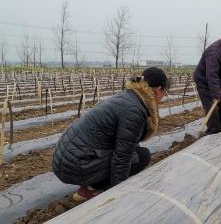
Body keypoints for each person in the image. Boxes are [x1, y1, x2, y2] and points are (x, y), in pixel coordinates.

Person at [52, 67, 169, 200]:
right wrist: (118, 195)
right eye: (165, 92)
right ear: (159, 90)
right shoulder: (135, 111)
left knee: (134, 149)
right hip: (73, 165)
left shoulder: (128, 96)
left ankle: (93, 183)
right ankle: (91, 189)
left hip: (65, 157)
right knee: (142, 157)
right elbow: (122, 157)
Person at [194, 27, 221, 135]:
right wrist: (216, 95)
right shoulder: (214, 52)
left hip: (220, 80)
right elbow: (211, 75)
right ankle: (213, 132)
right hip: (204, 81)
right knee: (212, 109)